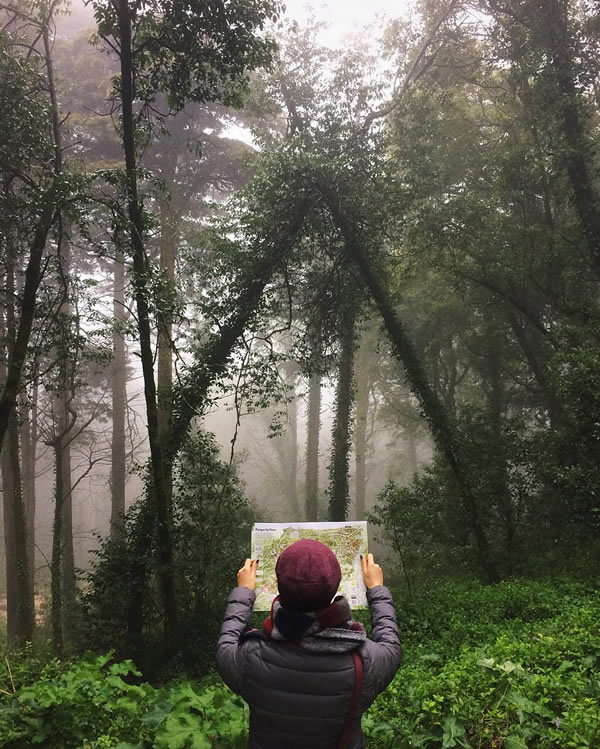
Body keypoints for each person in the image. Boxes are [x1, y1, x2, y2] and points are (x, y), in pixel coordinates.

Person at [216, 538, 402, 748]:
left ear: (279, 585)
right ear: (334, 587)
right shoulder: (364, 661)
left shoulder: (252, 657)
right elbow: (391, 647)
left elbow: (225, 648)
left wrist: (244, 593)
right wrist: (377, 589)